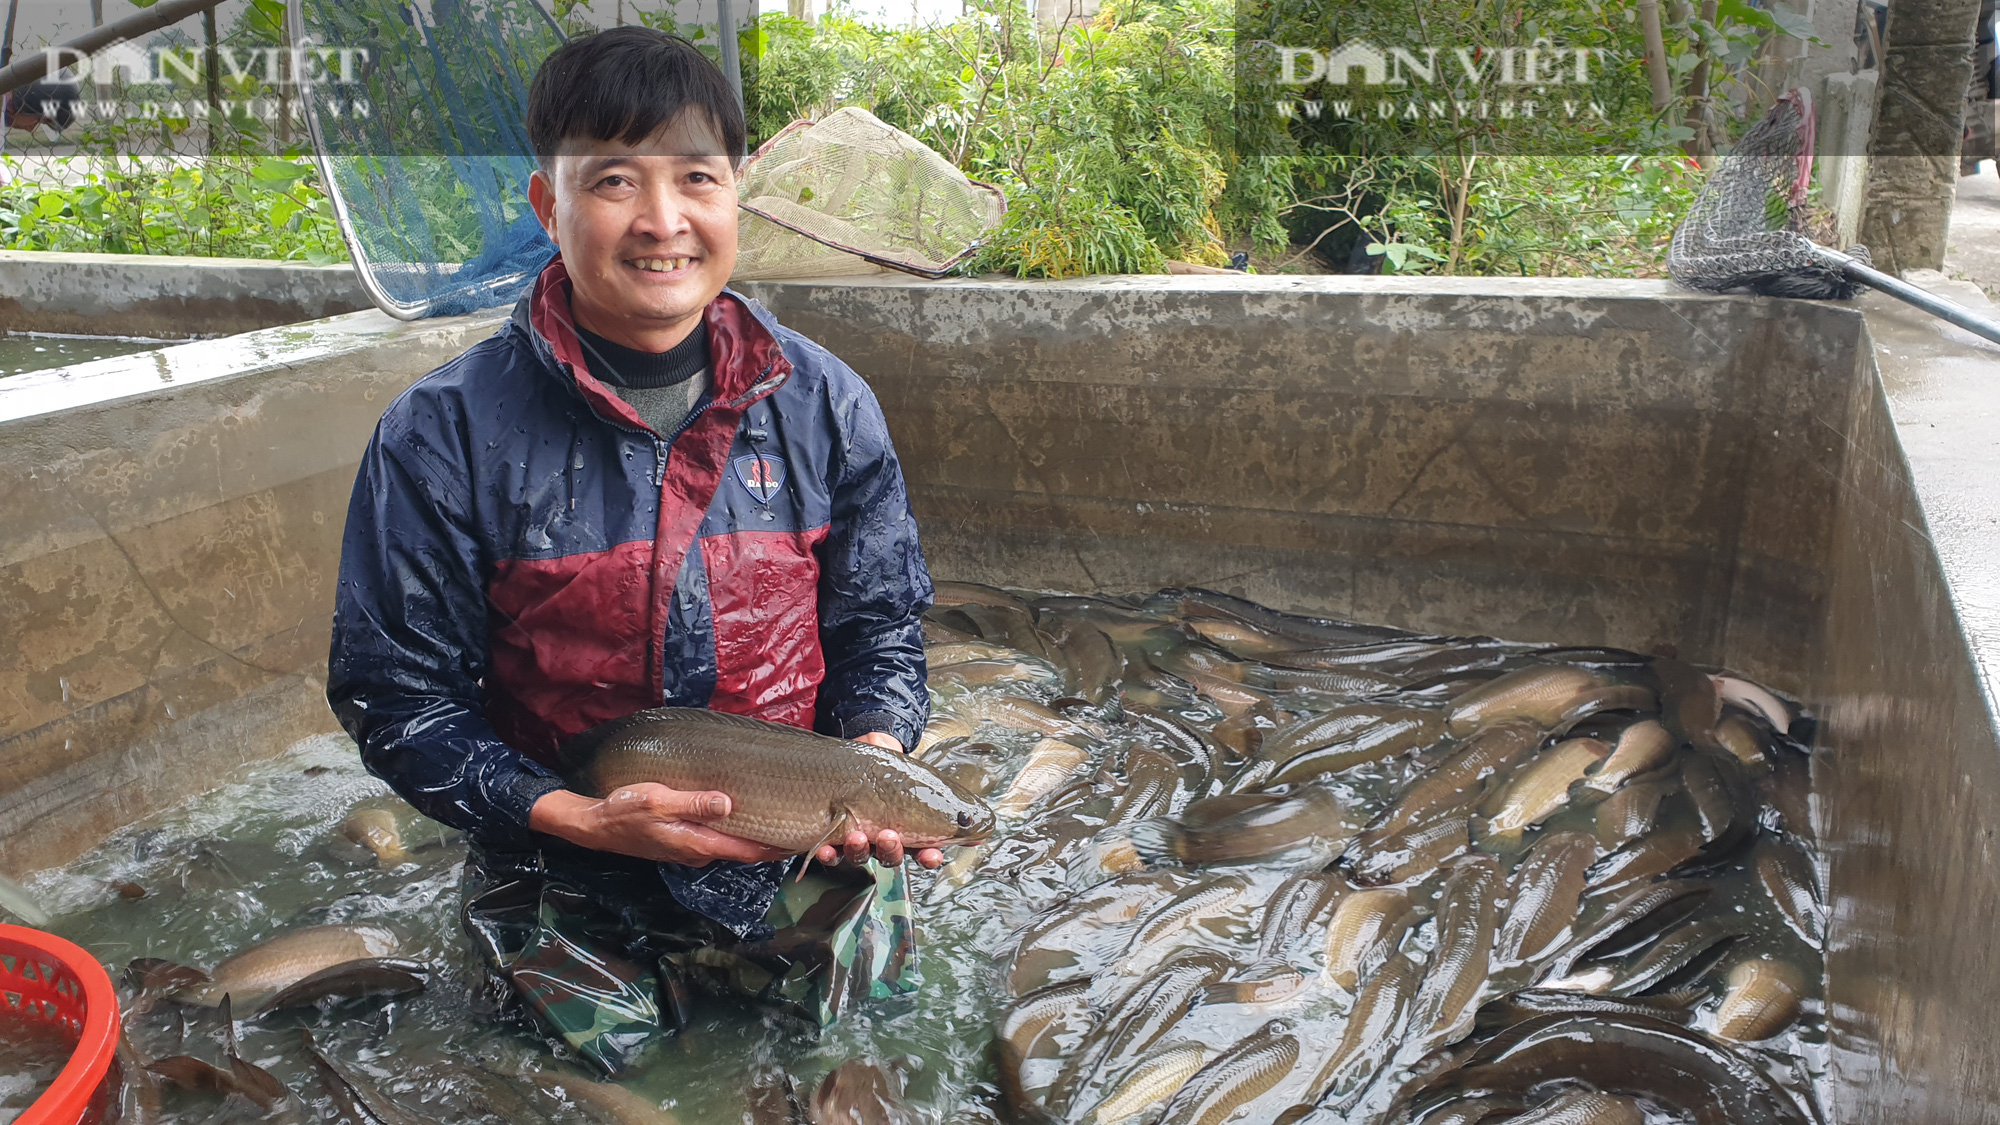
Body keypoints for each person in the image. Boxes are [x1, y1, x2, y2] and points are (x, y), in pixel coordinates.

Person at [325, 26, 936, 1074]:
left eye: (695, 178)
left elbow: (878, 624)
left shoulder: (825, 403)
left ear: (734, 192)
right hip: (557, 850)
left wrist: (873, 759)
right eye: (612, 180)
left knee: (864, 1067)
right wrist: (572, 814)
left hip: (793, 836)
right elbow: (397, 698)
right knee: (572, 1086)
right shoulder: (442, 434)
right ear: (544, 206)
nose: (663, 222)